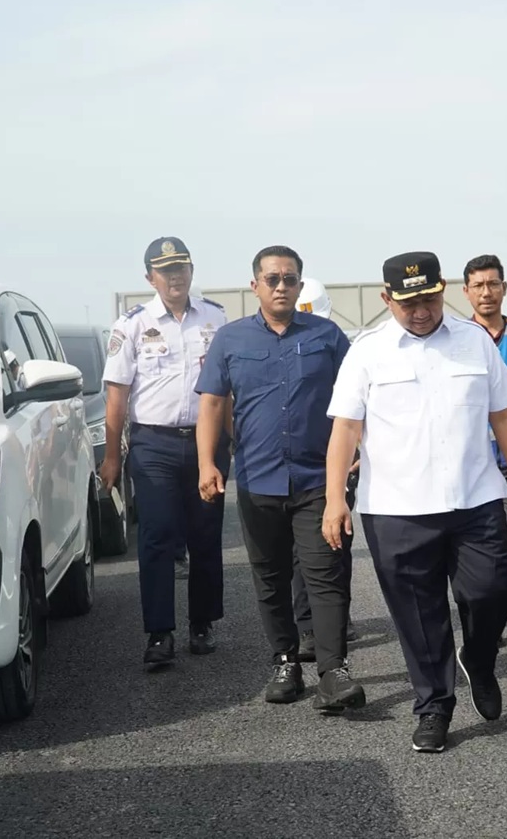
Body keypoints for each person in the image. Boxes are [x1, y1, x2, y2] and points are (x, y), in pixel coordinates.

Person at [323, 251, 507, 754]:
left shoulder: (473, 341)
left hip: (475, 498)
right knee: (419, 616)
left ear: (443, 291)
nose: (420, 311)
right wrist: (334, 499)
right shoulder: (368, 351)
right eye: (408, 303)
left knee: (492, 591)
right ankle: (434, 706)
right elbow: (346, 429)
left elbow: (505, 418)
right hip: (396, 508)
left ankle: (478, 659)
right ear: (387, 299)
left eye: (429, 299)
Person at [195, 248, 367, 710]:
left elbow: (359, 397)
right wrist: (206, 463)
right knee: (270, 577)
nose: (281, 286)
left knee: (326, 574)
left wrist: (361, 449)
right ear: (255, 286)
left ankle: (333, 672)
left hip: (318, 480)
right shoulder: (231, 339)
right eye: (272, 279)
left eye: (290, 279)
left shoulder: (326, 336)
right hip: (259, 479)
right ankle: (286, 662)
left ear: (300, 285)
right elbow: (212, 403)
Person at [101, 236, 229, 668]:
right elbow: (117, 395)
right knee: (156, 536)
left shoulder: (215, 317)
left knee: (205, 534)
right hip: (153, 444)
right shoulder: (132, 325)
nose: (175, 276)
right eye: (166, 270)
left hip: (207, 442)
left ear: (192, 271)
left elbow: (226, 389)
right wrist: (113, 457)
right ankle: (160, 633)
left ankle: (202, 624)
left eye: (181, 268)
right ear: (150, 277)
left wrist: (235, 440)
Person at [461, 254, 507, 648]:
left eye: (493, 284)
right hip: (470, 459)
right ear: (466, 291)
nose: (486, 292)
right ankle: (484, 610)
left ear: (504, 288)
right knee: (477, 544)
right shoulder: (456, 338)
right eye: (478, 285)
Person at [291, 276, 359, 660]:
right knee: (302, 551)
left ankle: (336, 616)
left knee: (338, 543)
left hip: (340, 458)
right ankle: (307, 626)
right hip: (301, 462)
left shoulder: (338, 344)